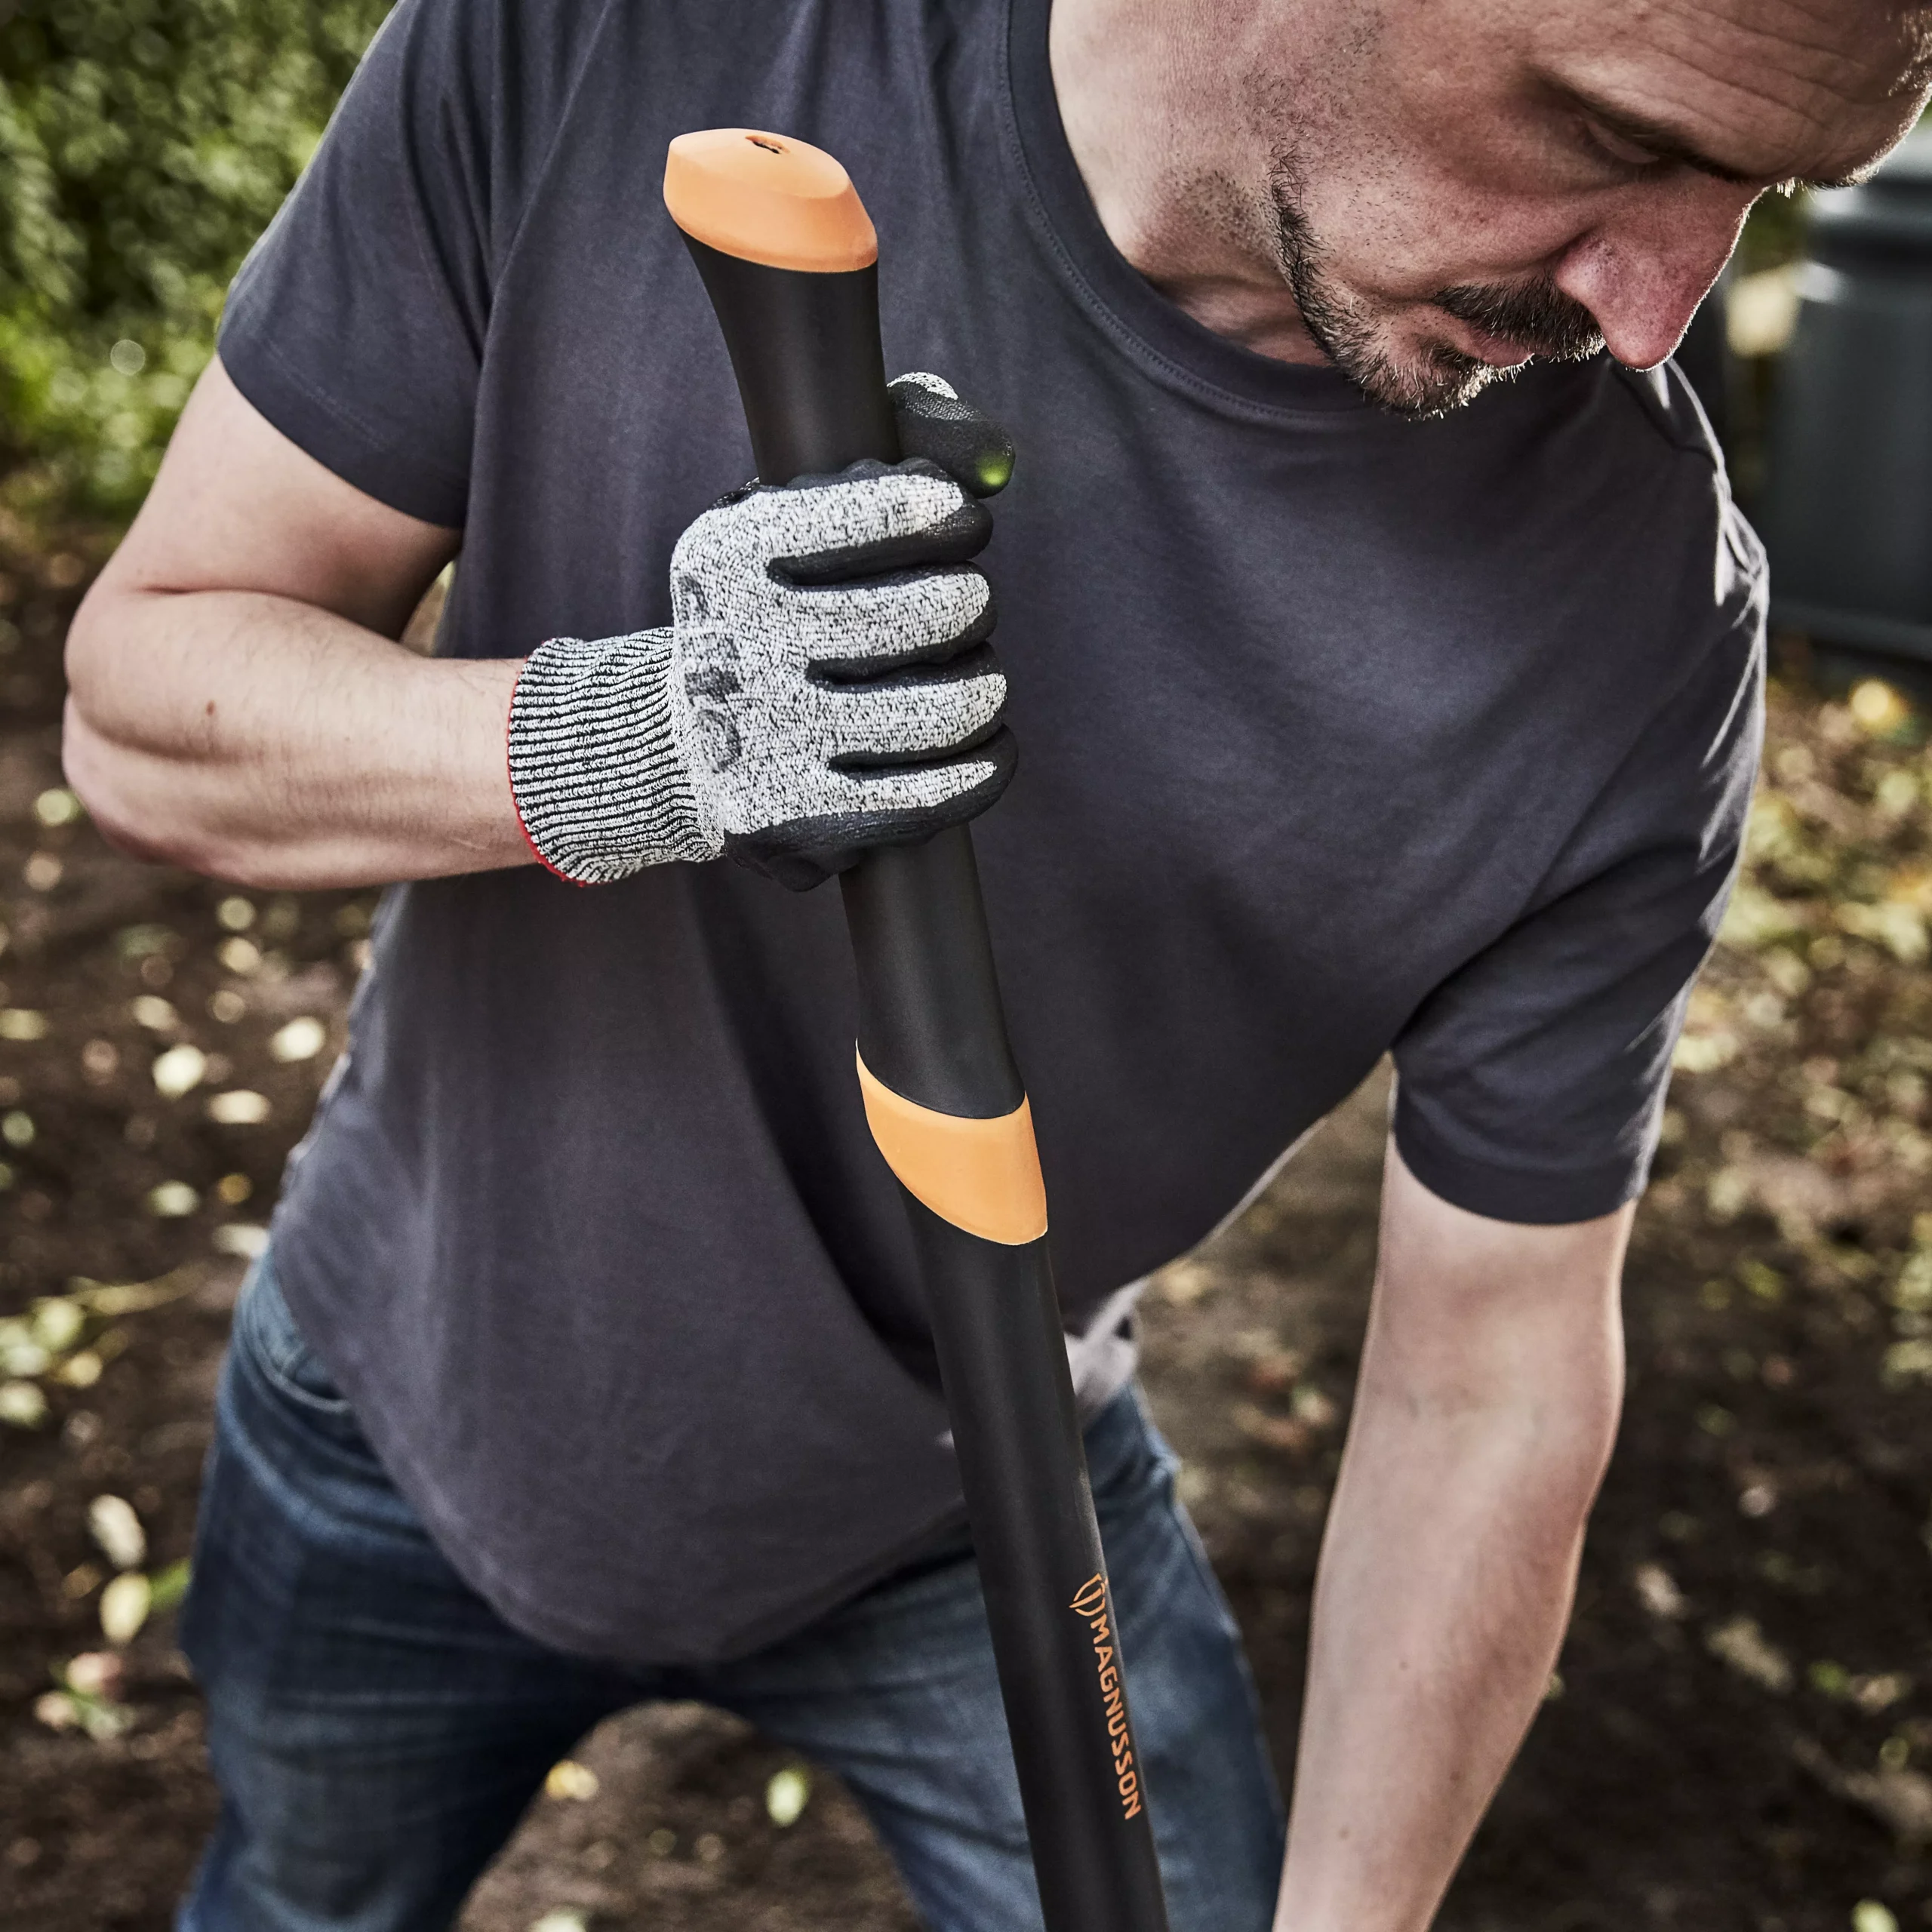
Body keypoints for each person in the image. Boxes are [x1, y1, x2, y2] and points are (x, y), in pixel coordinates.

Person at [62, 0, 1927, 1925]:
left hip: (985, 1489)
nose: (1658, 311)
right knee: (299, 1895)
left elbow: (1493, 1371)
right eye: (1617, 136)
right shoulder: (622, 42)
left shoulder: (1637, 618)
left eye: (1760, 194)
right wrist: (658, 740)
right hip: (392, 1391)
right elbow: (142, 714)